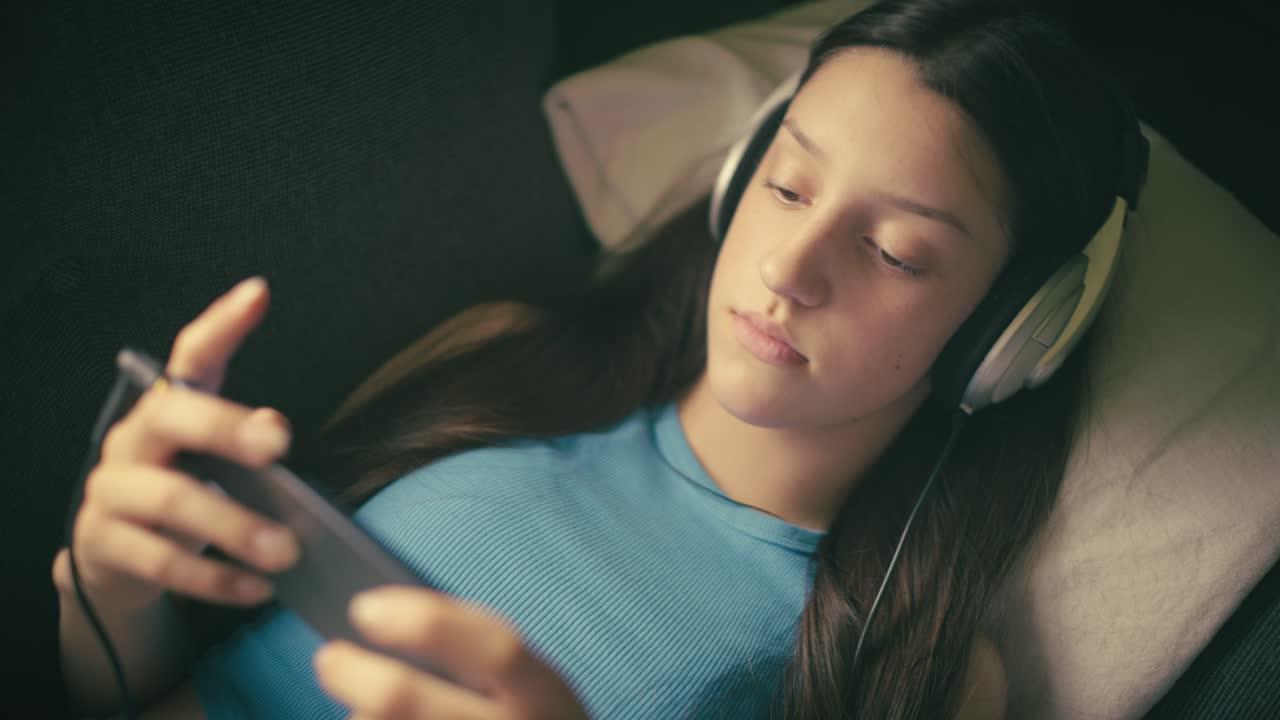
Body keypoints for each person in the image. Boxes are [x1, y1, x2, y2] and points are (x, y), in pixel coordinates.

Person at [52, 0, 1144, 717]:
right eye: (787, 186)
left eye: (893, 251)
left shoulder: (917, 676)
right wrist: (108, 589)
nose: (789, 270)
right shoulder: (500, 360)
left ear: (1012, 332)